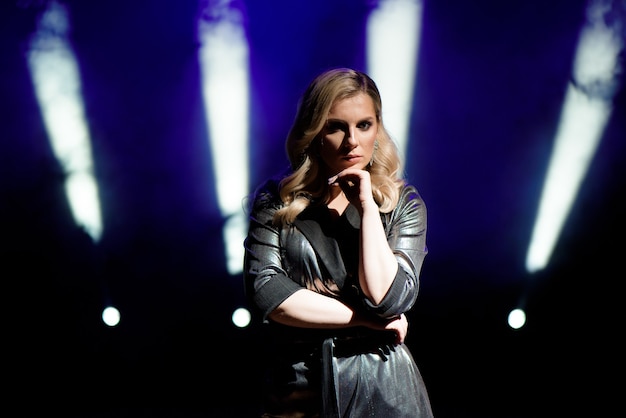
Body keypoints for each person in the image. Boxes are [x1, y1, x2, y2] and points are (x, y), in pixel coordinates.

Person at [243, 67, 434, 417]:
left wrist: (367, 207)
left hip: (383, 388)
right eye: (335, 127)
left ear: (378, 128)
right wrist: (366, 322)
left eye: (364, 125)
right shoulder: (276, 200)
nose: (352, 142)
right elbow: (268, 291)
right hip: (297, 387)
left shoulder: (403, 204)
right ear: (314, 132)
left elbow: (385, 297)